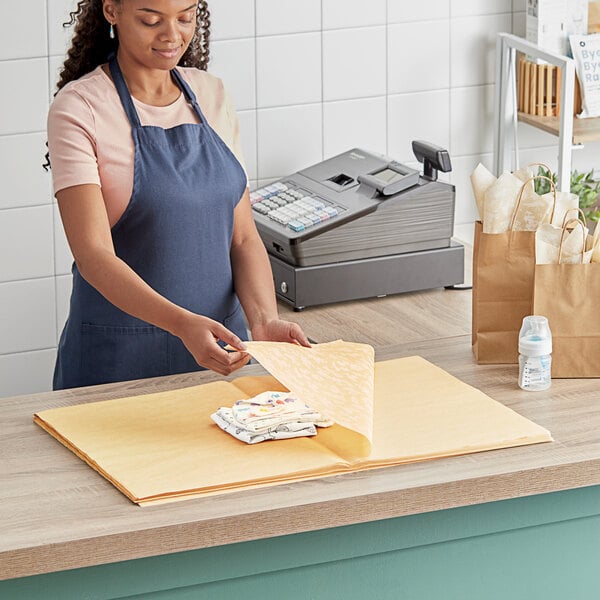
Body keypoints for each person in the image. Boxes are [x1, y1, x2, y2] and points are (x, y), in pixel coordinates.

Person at [47, 0, 309, 390]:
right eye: (151, 20)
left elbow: (242, 237)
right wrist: (182, 323)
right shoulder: (80, 107)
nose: (173, 35)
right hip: (116, 365)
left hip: (223, 359)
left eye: (185, 17)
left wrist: (264, 320)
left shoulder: (212, 95)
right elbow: (93, 255)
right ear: (111, 11)